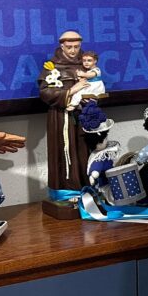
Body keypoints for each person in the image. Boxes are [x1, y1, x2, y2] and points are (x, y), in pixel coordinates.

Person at [37, 30, 92, 189]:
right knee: (64, 151)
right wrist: (71, 91)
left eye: (76, 46)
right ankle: (67, 190)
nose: (73, 51)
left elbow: (97, 84)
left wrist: (91, 97)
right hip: (61, 116)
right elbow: (45, 92)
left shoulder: (86, 64)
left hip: (84, 114)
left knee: (84, 149)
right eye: (69, 47)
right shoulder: (52, 66)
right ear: (62, 46)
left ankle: (87, 187)